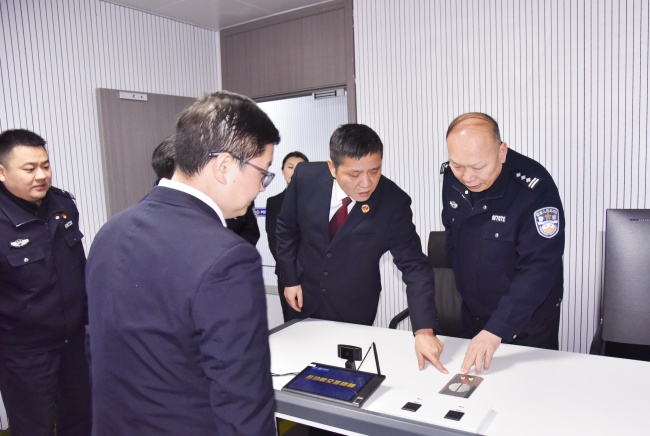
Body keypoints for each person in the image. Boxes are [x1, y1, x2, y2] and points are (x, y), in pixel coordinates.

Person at [86, 91, 280, 434]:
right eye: (263, 172)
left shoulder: (111, 230)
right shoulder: (228, 257)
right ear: (224, 166)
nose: (262, 187)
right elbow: (241, 397)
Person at [277, 124, 447, 373]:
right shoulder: (305, 178)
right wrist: (290, 279)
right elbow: (286, 228)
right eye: (354, 174)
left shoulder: (392, 203)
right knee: (298, 371)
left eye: (374, 171)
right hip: (302, 297)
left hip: (353, 307)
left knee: (346, 377)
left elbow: (415, 266)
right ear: (332, 167)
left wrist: (423, 329)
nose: (366, 183)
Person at [441, 112, 565, 374]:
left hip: (526, 323)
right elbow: (453, 234)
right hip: (473, 315)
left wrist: (497, 328)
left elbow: (540, 268)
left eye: (478, 167)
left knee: (527, 400)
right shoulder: (453, 177)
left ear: (502, 151)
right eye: (457, 165)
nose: (467, 176)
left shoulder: (534, 188)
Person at [0, 129, 92, 435]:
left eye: (46, 165)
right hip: (24, 352)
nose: (41, 175)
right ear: (2, 171)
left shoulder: (62, 205)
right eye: (29, 169)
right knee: (33, 427)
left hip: (74, 343)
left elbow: (79, 267)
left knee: (80, 418)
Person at [266, 151, 309, 321]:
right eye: (290, 167)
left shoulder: (320, 201)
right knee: (292, 324)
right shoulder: (274, 202)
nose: (294, 171)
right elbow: (274, 241)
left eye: (300, 168)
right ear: (283, 170)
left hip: (315, 274)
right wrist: (290, 271)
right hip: (287, 273)